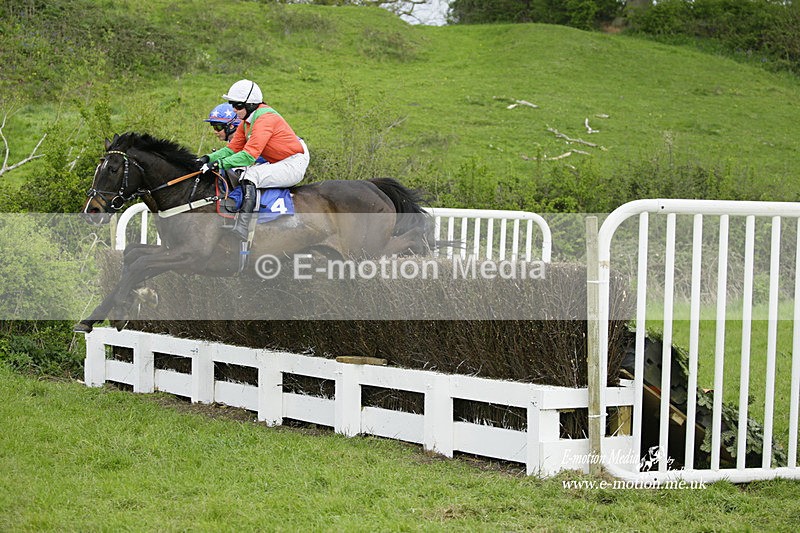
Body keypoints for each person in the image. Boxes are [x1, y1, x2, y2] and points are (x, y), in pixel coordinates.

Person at [197, 79, 309, 240]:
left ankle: (242, 227)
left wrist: (218, 163)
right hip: (281, 159)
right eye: (232, 105)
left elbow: (249, 156)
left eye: (238, 106)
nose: (234, 110)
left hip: (293, 162)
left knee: (250, 175)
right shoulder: (247, 122)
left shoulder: (265, 119)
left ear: (250, 105)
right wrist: (207, 158)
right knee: (242, 171)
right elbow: (231, 149)